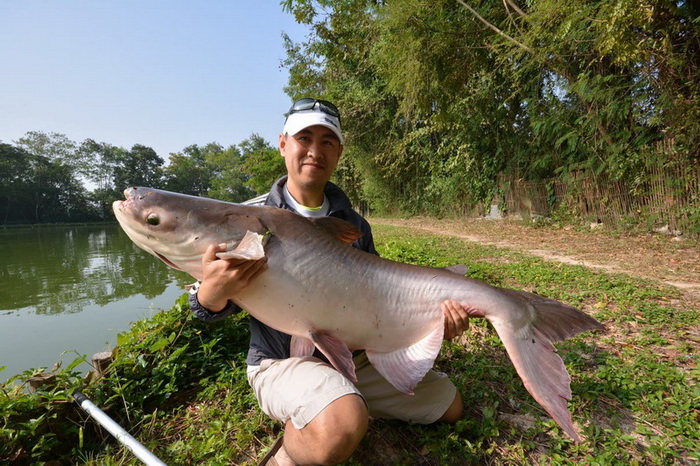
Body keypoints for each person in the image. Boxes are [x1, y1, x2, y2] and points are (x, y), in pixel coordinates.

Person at [189, 98, 472, 465]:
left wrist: (432, 325)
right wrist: (212, 292)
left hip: (354, 358)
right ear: (283, 144)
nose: (314, 151)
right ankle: (293, 449)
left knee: (450, 406)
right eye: (304, 138)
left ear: (338, 152)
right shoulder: (250, 218)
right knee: (338, 427)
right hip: (281, 361)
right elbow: (202, 307)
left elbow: (376, 302)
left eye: (326, 141)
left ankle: (339, 395)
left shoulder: (353, 224)